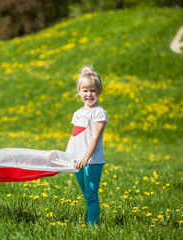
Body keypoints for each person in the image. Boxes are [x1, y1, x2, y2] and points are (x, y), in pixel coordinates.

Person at [65, 66, 108, 225]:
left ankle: (92, 229)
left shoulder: (99, 112)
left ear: (100, 91)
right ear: (79, 91)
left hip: (91, 161)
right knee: (85, 195)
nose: (89, 94)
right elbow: (73, 136)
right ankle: (91, 224)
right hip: (77, 161)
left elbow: (95, 138)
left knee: (91, 196)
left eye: (93, 90)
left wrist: (85, 157)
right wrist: (67, 155)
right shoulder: (77, 113)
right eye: (85, 90)